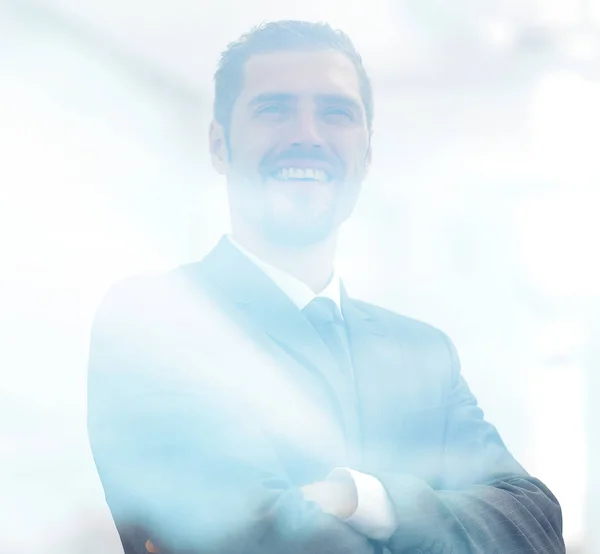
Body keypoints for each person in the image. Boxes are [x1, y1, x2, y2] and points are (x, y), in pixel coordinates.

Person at [87, 20, 565, 554]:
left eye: (336, 113)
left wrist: (362, 498)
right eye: (274, 109)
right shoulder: (159, 321)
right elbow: (249, 538)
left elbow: (534, 525)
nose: (307, 135)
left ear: (365, 156)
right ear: (219, 145)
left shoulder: (424, 353)